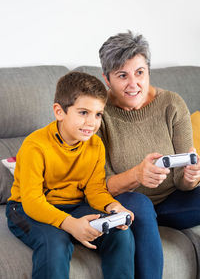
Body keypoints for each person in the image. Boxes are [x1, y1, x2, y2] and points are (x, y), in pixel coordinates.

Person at [6, 71, 135, 279]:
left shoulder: (95, 145)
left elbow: (95, 190)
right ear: (59, 112)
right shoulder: (35, 146)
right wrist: (70, 224)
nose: (91, 123)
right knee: (55, 242)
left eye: (98, 114)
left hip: (72, 206)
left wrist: (113, 207)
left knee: (121, 234)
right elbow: (32, 201)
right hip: (25, 208)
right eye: (83, 112)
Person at [98, 31, 200, 278]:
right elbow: (101, 186)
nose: (134, 84)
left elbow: (183, 183)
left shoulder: (172, 104)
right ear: (107, 79)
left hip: (170, 201)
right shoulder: (97, 114)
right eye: (122, 75)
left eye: (140, 72)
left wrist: (190, 177)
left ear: (148, 71)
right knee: (142, 205)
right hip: (127, 201)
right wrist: (137, 175)